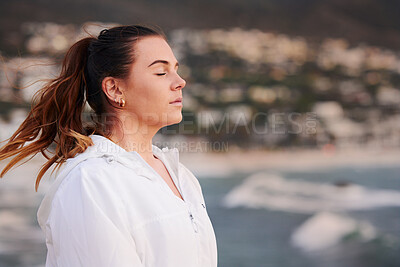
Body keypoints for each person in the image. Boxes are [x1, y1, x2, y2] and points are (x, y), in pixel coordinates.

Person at [0, 25, 218, 267]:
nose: (180, 82)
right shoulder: (90, 183)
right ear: (114, 89)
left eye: (176, 70)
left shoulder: (182, 177)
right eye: (160, 72)